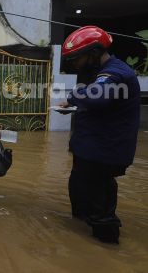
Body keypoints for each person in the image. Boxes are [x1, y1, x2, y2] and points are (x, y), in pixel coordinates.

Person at [59, 26, 140, 244]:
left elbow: (97, 97)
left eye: (76, 59)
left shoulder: (115, 73)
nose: (74, 64)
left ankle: (107, 253)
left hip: (103, 154)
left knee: (101, 211)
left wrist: (74, 96)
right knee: (82, 196)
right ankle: (83, 250)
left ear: (93, 54)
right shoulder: (102, 72)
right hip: (91, 151)